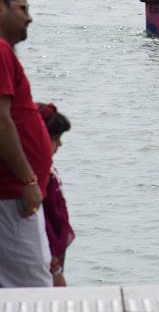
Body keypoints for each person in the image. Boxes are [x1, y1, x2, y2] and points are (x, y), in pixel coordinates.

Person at [0, 0, 52, 288]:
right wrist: (28, 180)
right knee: (32, 291)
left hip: (11, 193)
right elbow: (2, 121)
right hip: (12, 194)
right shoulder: (1, 51)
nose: (29, 16)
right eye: (22, 8)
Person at [37, 103, 73, 287]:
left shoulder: (45, 172)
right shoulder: (37, 178)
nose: (60, 144)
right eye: (55, 138)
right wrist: (56, 270)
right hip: (44, 263)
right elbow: (40, 227)